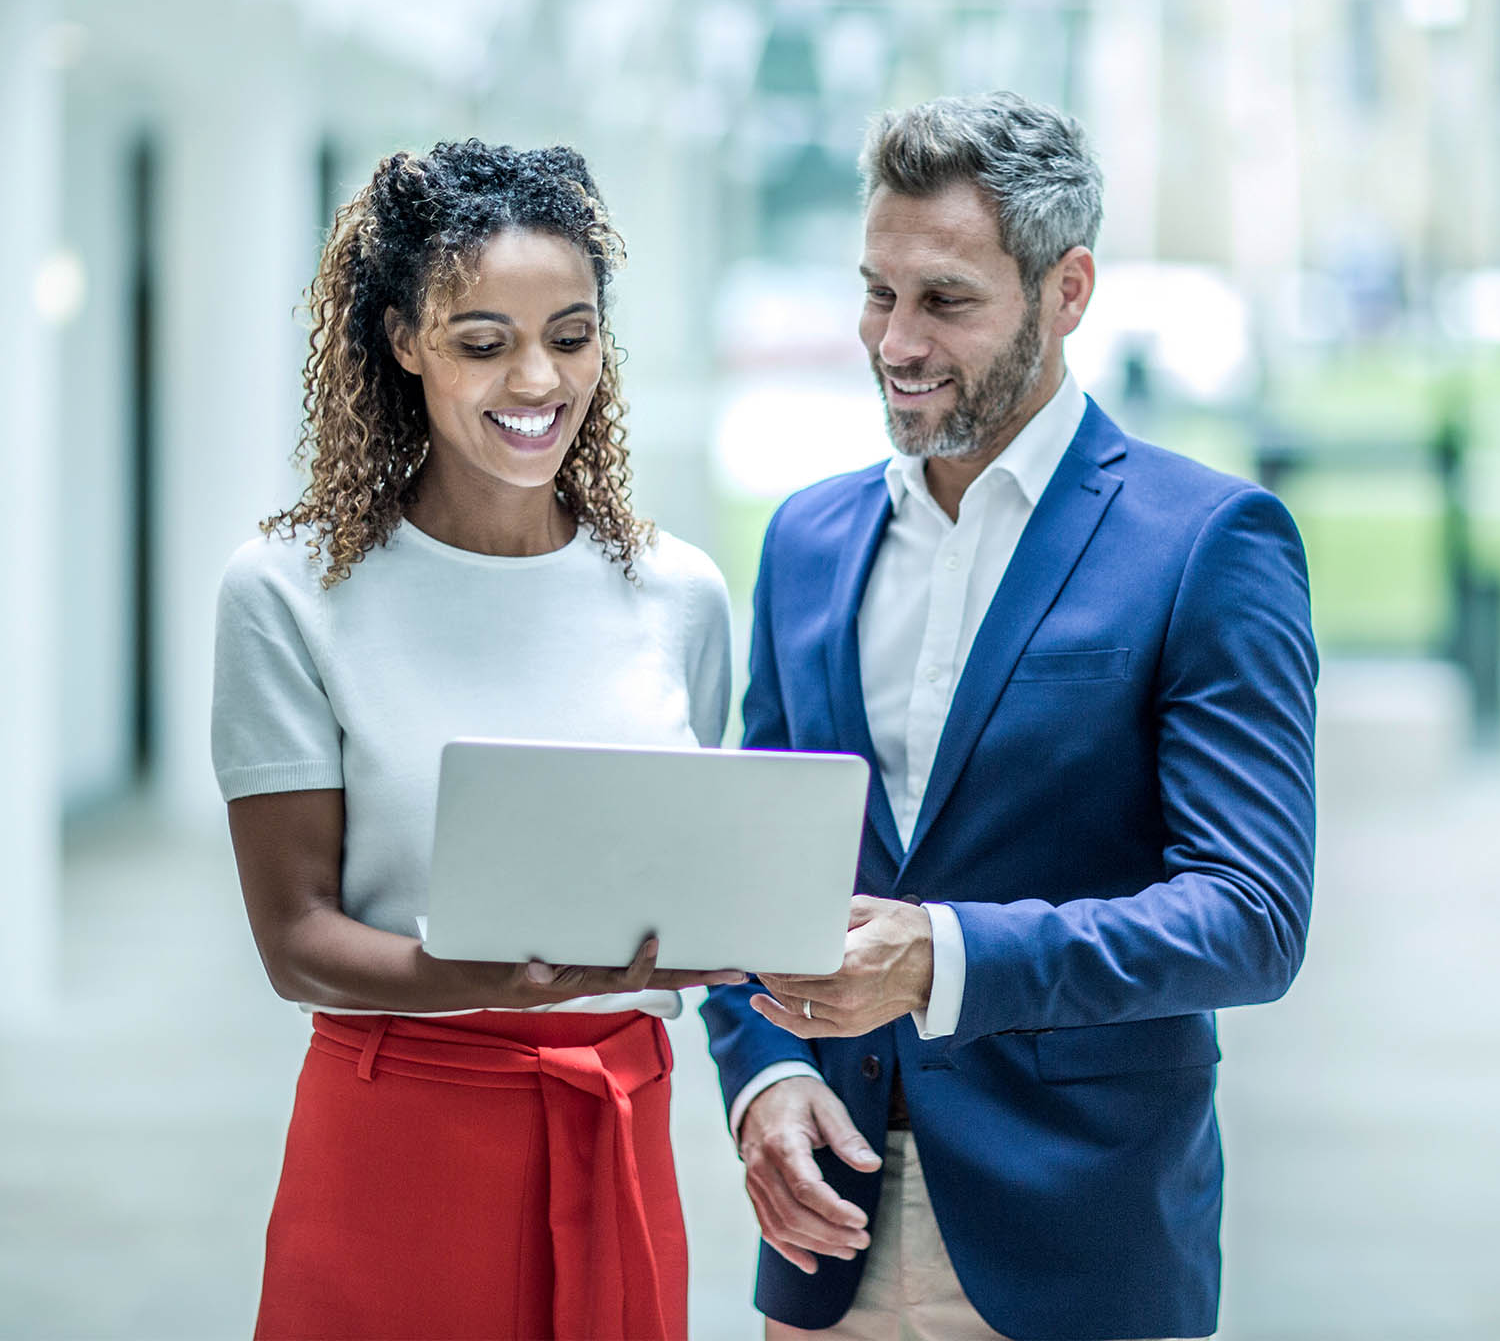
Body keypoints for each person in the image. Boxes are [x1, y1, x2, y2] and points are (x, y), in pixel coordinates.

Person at [701, 93, 1318, 1341]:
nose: (896, 340)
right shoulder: (807, 540)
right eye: (877, 293)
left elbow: (1251, 917)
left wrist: (943, 956)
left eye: (946, 300)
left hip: (1081, 1234)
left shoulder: (1205, 543)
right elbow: (744, 868)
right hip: (830, 1229)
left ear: (1067, 289)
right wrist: (760, 1076)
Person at [212, 140, 739, 1341]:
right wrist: (491, 977)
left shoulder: (681, 594)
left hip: (616, 1123)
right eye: (483, 340)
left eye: (571, 333)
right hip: (402, 1134)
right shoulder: (291, 593)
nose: (539, 379)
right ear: (403, 340)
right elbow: (296, 943)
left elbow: (685, 870)